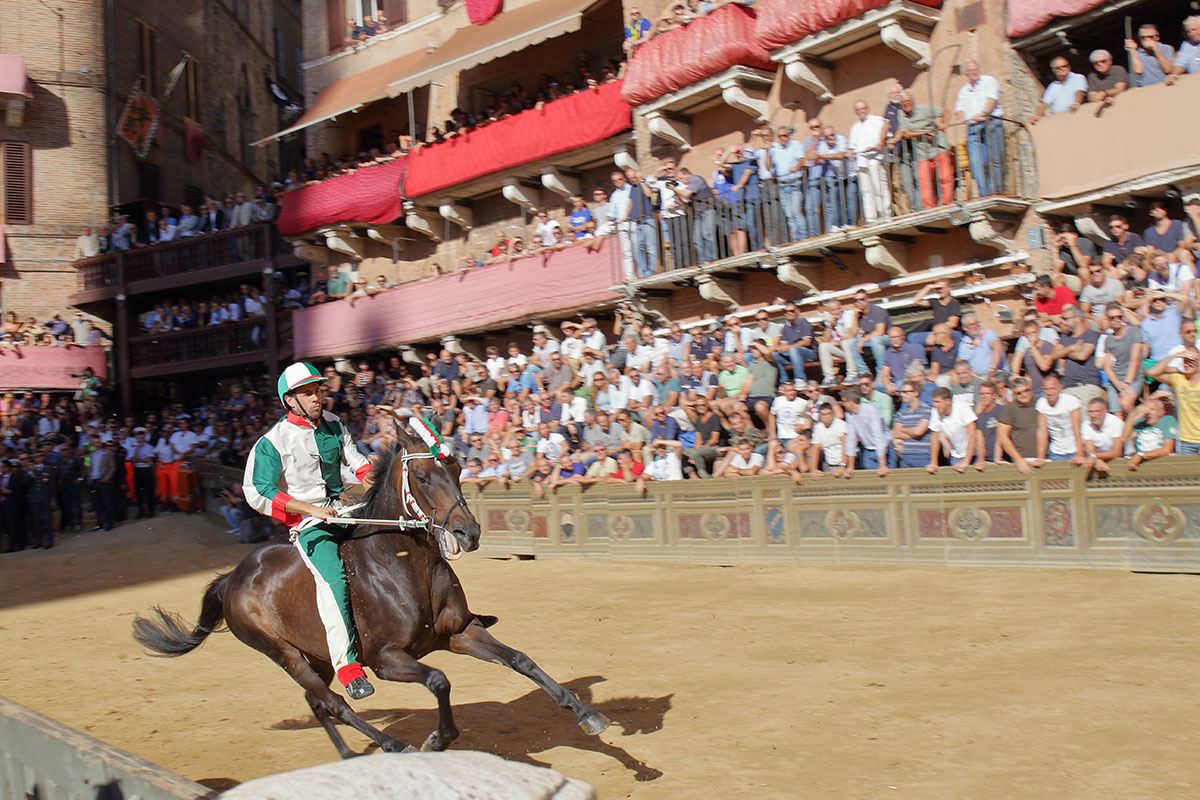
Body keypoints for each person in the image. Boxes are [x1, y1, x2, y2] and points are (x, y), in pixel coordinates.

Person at [243, 362, 376, 701]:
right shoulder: (272, 442)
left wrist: (368, 475)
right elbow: (258, 492)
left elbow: (355, 458)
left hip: (345, 508)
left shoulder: (334, 423)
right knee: (334, 582)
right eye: (307, 393)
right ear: (290, 400)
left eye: (318, 390)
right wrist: (311, 510)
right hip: (310, 524)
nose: (317, 397)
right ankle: (348, 668)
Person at [953, 60, 1005, 197]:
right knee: (976, 163)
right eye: (971, 71)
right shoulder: (964, 90)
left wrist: (983, 113)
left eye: (976, 69)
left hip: (991, 123)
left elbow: (992, 100)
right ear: (966, 74)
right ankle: (984, 194)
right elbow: (959, 108)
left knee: (995, 160)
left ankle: (997, 191)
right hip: (973, 128)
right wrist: (961, 117)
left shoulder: (989, 81)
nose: (974, 72)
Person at [1149, 346, 1200, 454]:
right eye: (1185, 361)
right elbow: (1153, 372)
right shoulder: (1178, 379)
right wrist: (1175, 355)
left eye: (1191, 361)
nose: (1188, 364)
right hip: (1186, 440)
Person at [997, 377, 1040, 474]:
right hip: (1023, 459)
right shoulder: (1009, 409)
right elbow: (1003, 437)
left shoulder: (1041, 402)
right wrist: (1018, 459)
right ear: (1013, 394)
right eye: (1019, 393)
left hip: (1045, 457)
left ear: (1030, 389)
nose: (1023, 394)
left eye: (1026, 391)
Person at [1035, 374, 1082, 463]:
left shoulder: (1071, 401)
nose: (1049, 392)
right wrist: (1040, 457)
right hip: (1056, 452)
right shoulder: (1041, 403)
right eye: (1046, 389)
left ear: (1060, 388)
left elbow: (1077, 430)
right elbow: (1042, 431)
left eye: (1052, 389)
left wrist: (1080, 455)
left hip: (1074, 450)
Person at [1120, 396, 1177, 469]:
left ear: (1161, 412)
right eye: (1145, 409)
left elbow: (1167, 449)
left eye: (1152, 409)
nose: (1148, 412)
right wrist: (1132, 418)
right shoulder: (1139, 422)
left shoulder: (1167, 421)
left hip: (1162, 464)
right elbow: (1123, 440)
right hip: (1140, 465)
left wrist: (1140, 455)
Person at [1030, 57, 1086, 122]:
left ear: (1069, 67)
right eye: (1058, 68)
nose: (1061, 69)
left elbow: (1079, 92)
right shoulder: (1053, 86)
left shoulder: (1078, 77)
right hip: (1060, 119)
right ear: (1053, 70)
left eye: (1064, 66)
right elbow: (1044, 103)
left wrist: (1077, 103)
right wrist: (1037, 116)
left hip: (1077, 115)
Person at [1080, 397, 1125, 474]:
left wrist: (1094, 457)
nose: (1093, 415)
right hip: (1102, 460)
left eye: (1096, 411)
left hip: (1124, 459)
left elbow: (1117, 452)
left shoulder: (1116, 422)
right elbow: (1090, 450)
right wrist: (1097, 460)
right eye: (1090, 412)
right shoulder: (1086, 424)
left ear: (1105, 411)